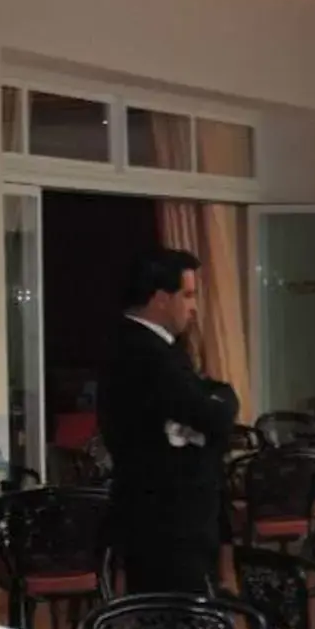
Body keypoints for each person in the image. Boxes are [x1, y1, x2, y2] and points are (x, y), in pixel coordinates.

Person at [98, 247, 240, 595]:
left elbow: (213, 404)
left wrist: (216, 406)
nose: (193, 307)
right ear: (161, 298)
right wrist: (215, 410)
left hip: (174, 518)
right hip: (167, 521)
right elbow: (210, 412)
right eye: (188, 295)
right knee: (178, 627)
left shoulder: (162, 348)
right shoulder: (144, 352)